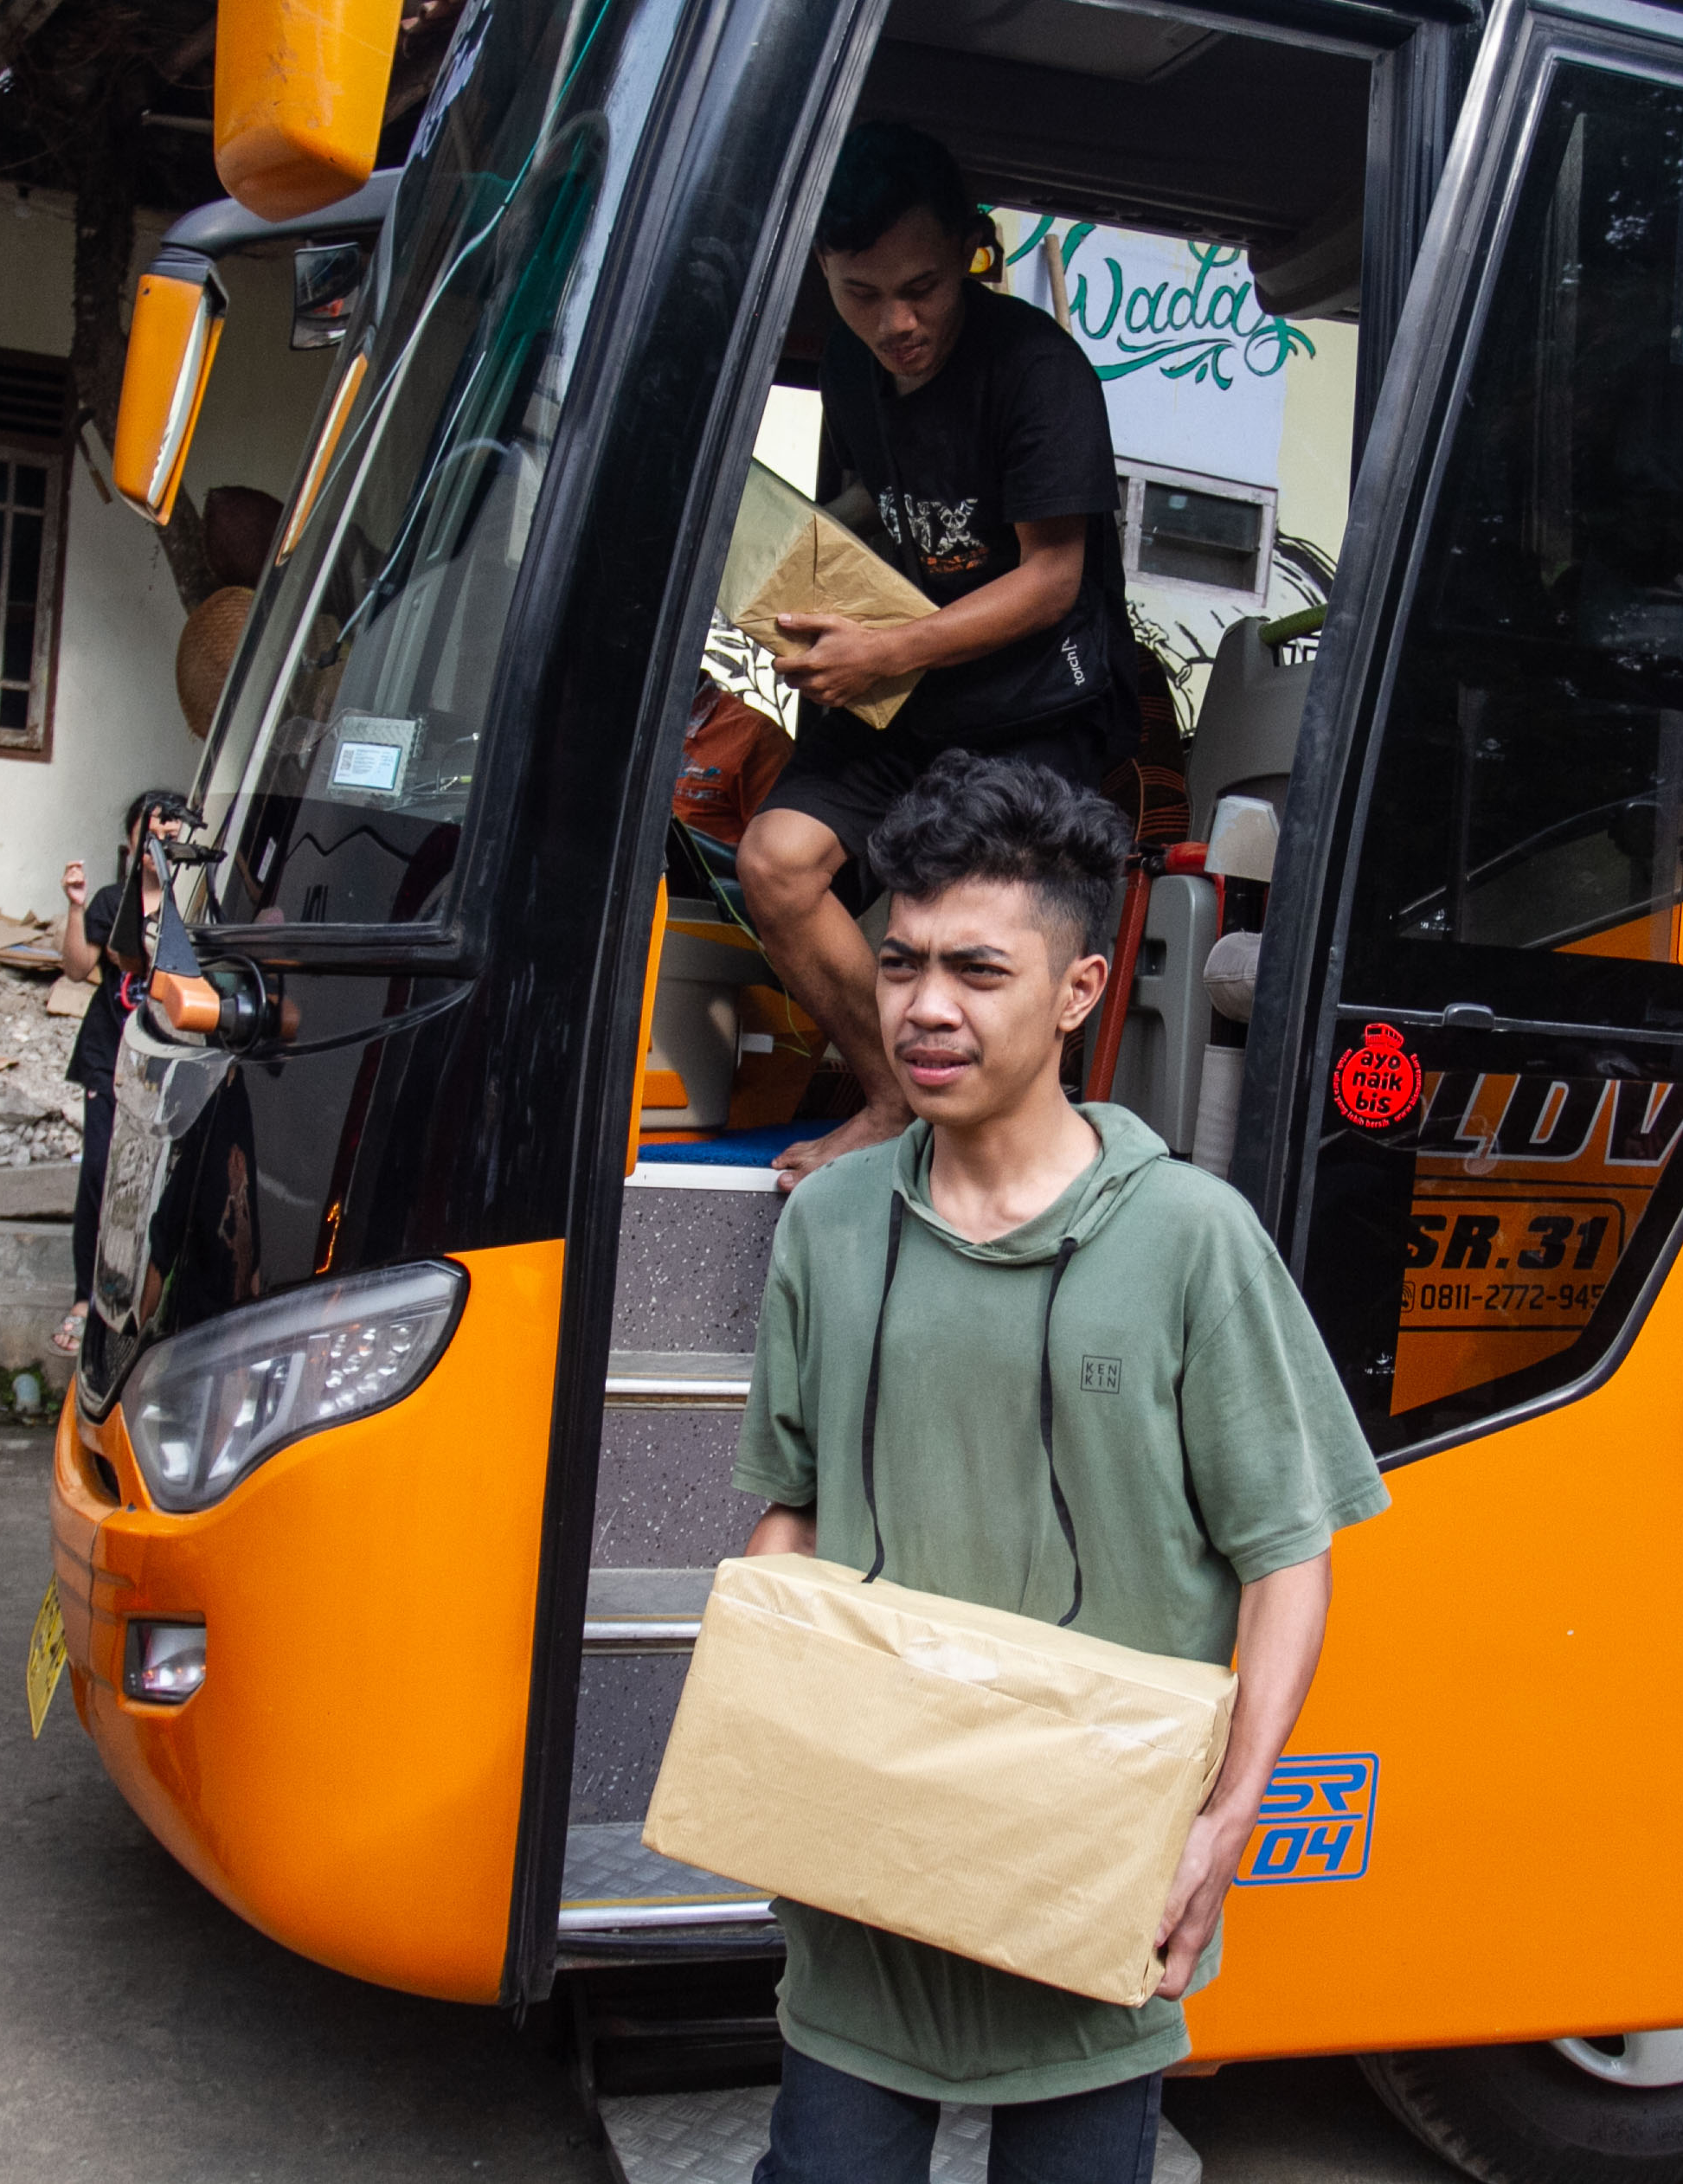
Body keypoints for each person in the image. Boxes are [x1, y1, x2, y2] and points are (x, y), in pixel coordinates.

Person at [732, 754, 1386, 2182]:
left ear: (1080, 990)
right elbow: (792, 1506)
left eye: (978, 969)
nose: (925, 1006)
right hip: (865, 1871)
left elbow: (1286, 1554)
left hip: (1095, 1879)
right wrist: (760, 1728)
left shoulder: (1190, 1238)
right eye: (899, 962)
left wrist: (1226, 1819)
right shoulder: (827, 1225)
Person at [736, 123, 1135, 1189]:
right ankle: (889, 1102)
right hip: (905, 695)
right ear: (824, 271)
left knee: (974, 926)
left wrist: (882, 650)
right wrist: (791, 593)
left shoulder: (1036, 371)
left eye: (922, 288)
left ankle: (1003, 1162)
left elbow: (1053, 580)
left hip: (1033, 703)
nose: (897, 323)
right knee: (775, 864)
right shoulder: (853, 368)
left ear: (970, 249)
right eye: (861, 294)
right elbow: (868, 508)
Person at [55, 788, 191, 1354]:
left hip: (170, 1061)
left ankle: (147, 1299)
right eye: (150, 829)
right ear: (132, 840)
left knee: (160, 1181)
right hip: (108, 1054)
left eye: (171, 831)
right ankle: (86, 1297)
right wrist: (76, 906)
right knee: (99, 1174)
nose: (160, 839)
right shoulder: (115, 900)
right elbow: (76, 967)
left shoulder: (195, 901)